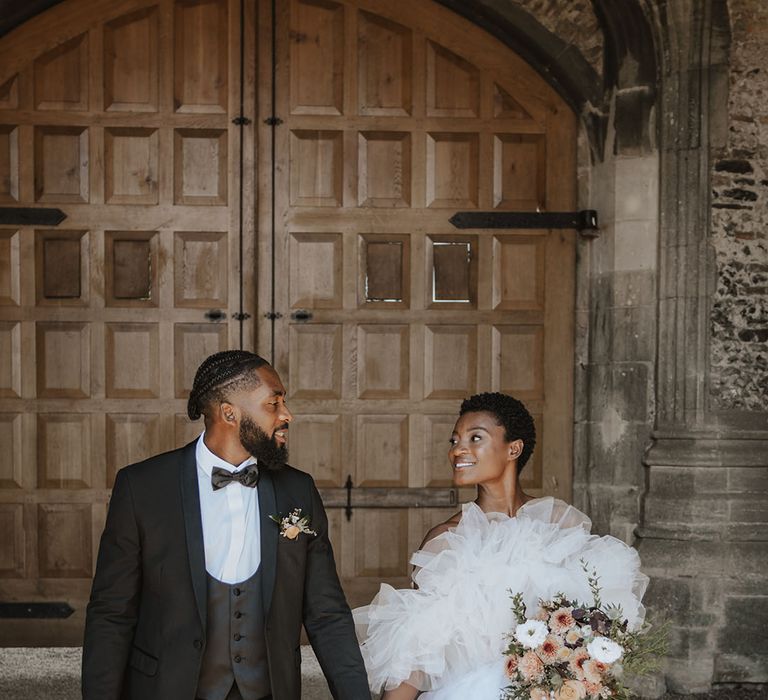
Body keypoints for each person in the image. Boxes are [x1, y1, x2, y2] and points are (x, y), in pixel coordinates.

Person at [83, 350, 370, 700]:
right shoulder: (141, 488)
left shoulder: (298, 490)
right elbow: (111, 614)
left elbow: (327, 614)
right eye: (273, 403)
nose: (287, 415)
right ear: (229, 413)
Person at [354, 392, 648, 700]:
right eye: (454, 441)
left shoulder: (560, 524)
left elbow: (594, 630)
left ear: (514, 449)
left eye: (474, 438)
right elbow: (416, 648)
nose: (458, 450)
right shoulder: (446, 540)